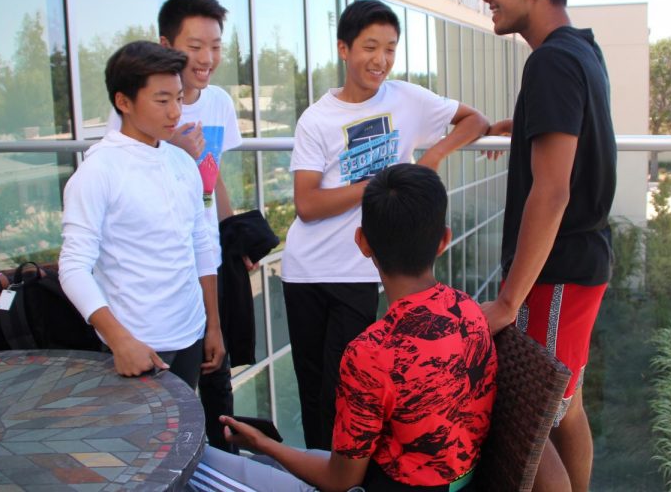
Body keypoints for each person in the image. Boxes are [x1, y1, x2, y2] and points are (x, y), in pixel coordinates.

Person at [188, 164, 497, 491]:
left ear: (362, 243)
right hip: (458, 484)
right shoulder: (470, 311)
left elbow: (339, 480)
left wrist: (264, 444)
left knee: (201, 469)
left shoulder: (371, 354)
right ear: (443, 240)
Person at [280, 0, 489, 450]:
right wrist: (382, 182)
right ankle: (324, 477)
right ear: (343, 49)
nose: (381, 60)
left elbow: (476, 120)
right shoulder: (317, 118)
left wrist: (430, 158)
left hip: (358, 268)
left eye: (390, 49)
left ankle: (344, 475)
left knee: (346, 391)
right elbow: (308, 204)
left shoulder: (407, 99)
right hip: (304, 270)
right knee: (313, 390)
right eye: (369, 47)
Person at [479, 0, 616, 492]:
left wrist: (509, 299)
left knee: (530, 421)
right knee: (566, 406)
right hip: (582, 265)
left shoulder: (550, 64)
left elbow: (553, 192)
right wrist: (528, 128)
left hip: (555, 275)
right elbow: (577, 136)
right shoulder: (581, 48)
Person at [106, 0, 246, 452]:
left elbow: (214, 175)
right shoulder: (140, 111)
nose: (207, 58)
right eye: (194, 47)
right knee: (165, 405)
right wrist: (175, 153)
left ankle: (217, 465)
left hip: (206, 251)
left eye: (216, 46)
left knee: (218, 377)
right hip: (162, 275)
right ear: (167, 43)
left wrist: (232, 235)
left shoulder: (220, 102)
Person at [60, 41, 223, 389]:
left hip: (191, 332)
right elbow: (73, 268)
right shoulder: (98, 171)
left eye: (179, 98)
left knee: (191, 435)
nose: (175, 112)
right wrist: (120, 340)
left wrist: (213, 325)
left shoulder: (181, 161)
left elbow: (200, 245)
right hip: (139, 343)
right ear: (124, 102)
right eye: (162, 100)